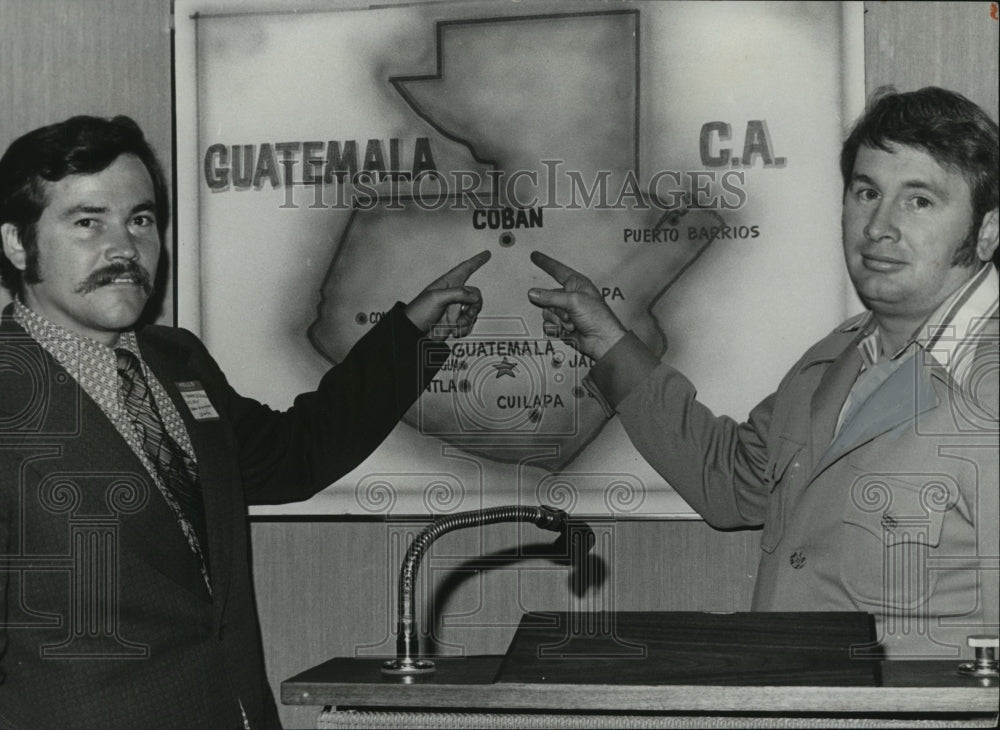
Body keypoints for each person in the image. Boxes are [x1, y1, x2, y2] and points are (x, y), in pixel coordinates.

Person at [0, 115, 489, 730]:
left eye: (141, 219)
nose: (124, 247)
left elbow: (291, 458)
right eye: (87, 222)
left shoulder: (175, 359)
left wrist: (411, 339)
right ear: (18, 244)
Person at [528, 86, 999, 659]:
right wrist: (609, 344)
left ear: (987, 230)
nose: (879, 225)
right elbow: (731, 482)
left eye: (919, 200)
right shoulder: (839, 355)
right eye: (866, 192)